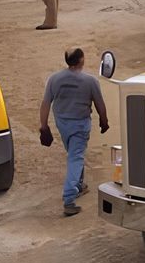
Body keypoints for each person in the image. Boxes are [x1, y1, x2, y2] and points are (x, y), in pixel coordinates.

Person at [38, 47, 108, 217]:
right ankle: (69, 198)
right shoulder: (90, 81)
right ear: (81, 60)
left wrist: (44, 126)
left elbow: (46, 103)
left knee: (74, 153)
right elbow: (100, 104)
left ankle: (80, 184)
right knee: (75, 156)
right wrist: (104, 121)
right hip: (80, 126)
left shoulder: (54, 79)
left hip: (62, 124)